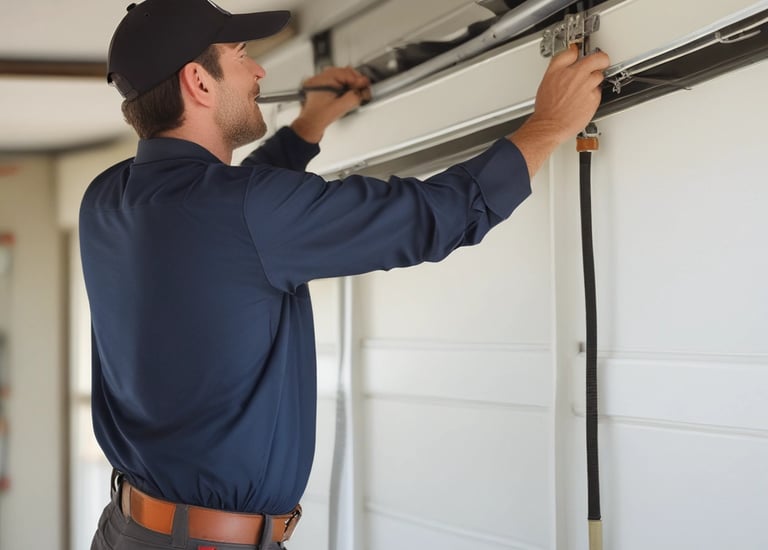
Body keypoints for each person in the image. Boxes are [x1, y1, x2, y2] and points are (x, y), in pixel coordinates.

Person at [80, 0, 610, 548]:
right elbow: (431, 217)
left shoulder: (107, 199)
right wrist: (548, 125)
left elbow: (239, 210)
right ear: (199, 82)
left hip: (130, 529)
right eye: (241, 56)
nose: (259, 71)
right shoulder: (236, 210)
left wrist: (310, 123)